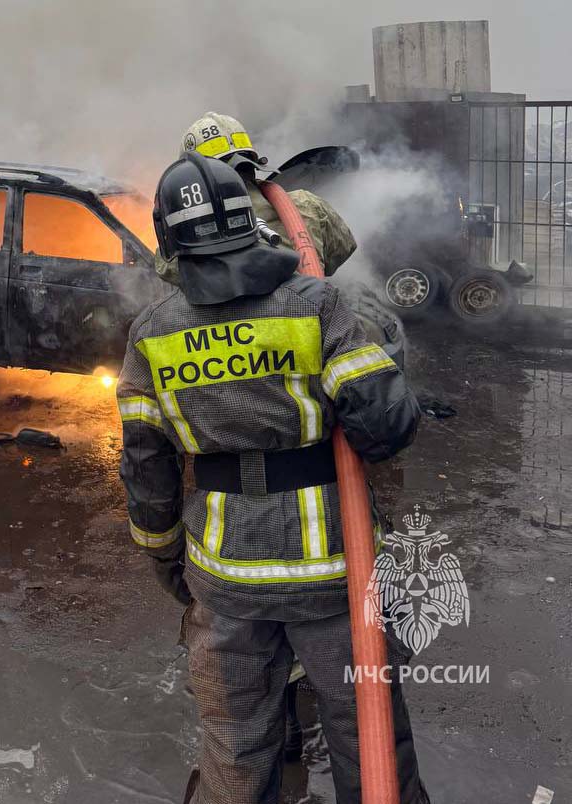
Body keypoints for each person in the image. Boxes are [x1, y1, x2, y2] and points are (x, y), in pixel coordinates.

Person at [117, 152, 429, 803]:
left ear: (169, 240)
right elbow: (386, 425)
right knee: (369, 743)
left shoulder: (152, 334)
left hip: (225, 584)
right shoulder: (316, 304)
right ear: (249, 224)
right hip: (332, 579)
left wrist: (168, 560)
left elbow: (146, 471)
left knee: (234, 747)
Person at [156, 111, 356, 284]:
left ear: (194, 177)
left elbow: (168, 270)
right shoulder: (306, 204)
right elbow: (342, 250)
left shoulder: (191, 231)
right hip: (308, 319)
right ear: (251, 160)